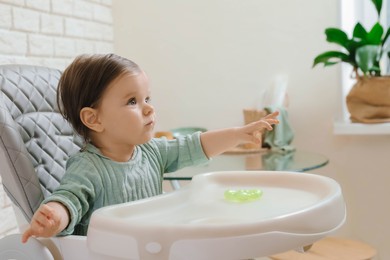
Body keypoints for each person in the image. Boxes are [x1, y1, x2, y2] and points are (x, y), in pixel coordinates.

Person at [21, 53, 279, 243]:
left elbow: (196, 145)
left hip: (153, 248)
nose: (149, 108)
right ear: (94, 119)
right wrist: (54, 216)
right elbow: (69, 199)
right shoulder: (88, 168)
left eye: (147, 98)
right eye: (132, 101)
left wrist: (237, 134)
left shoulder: (152, 152)